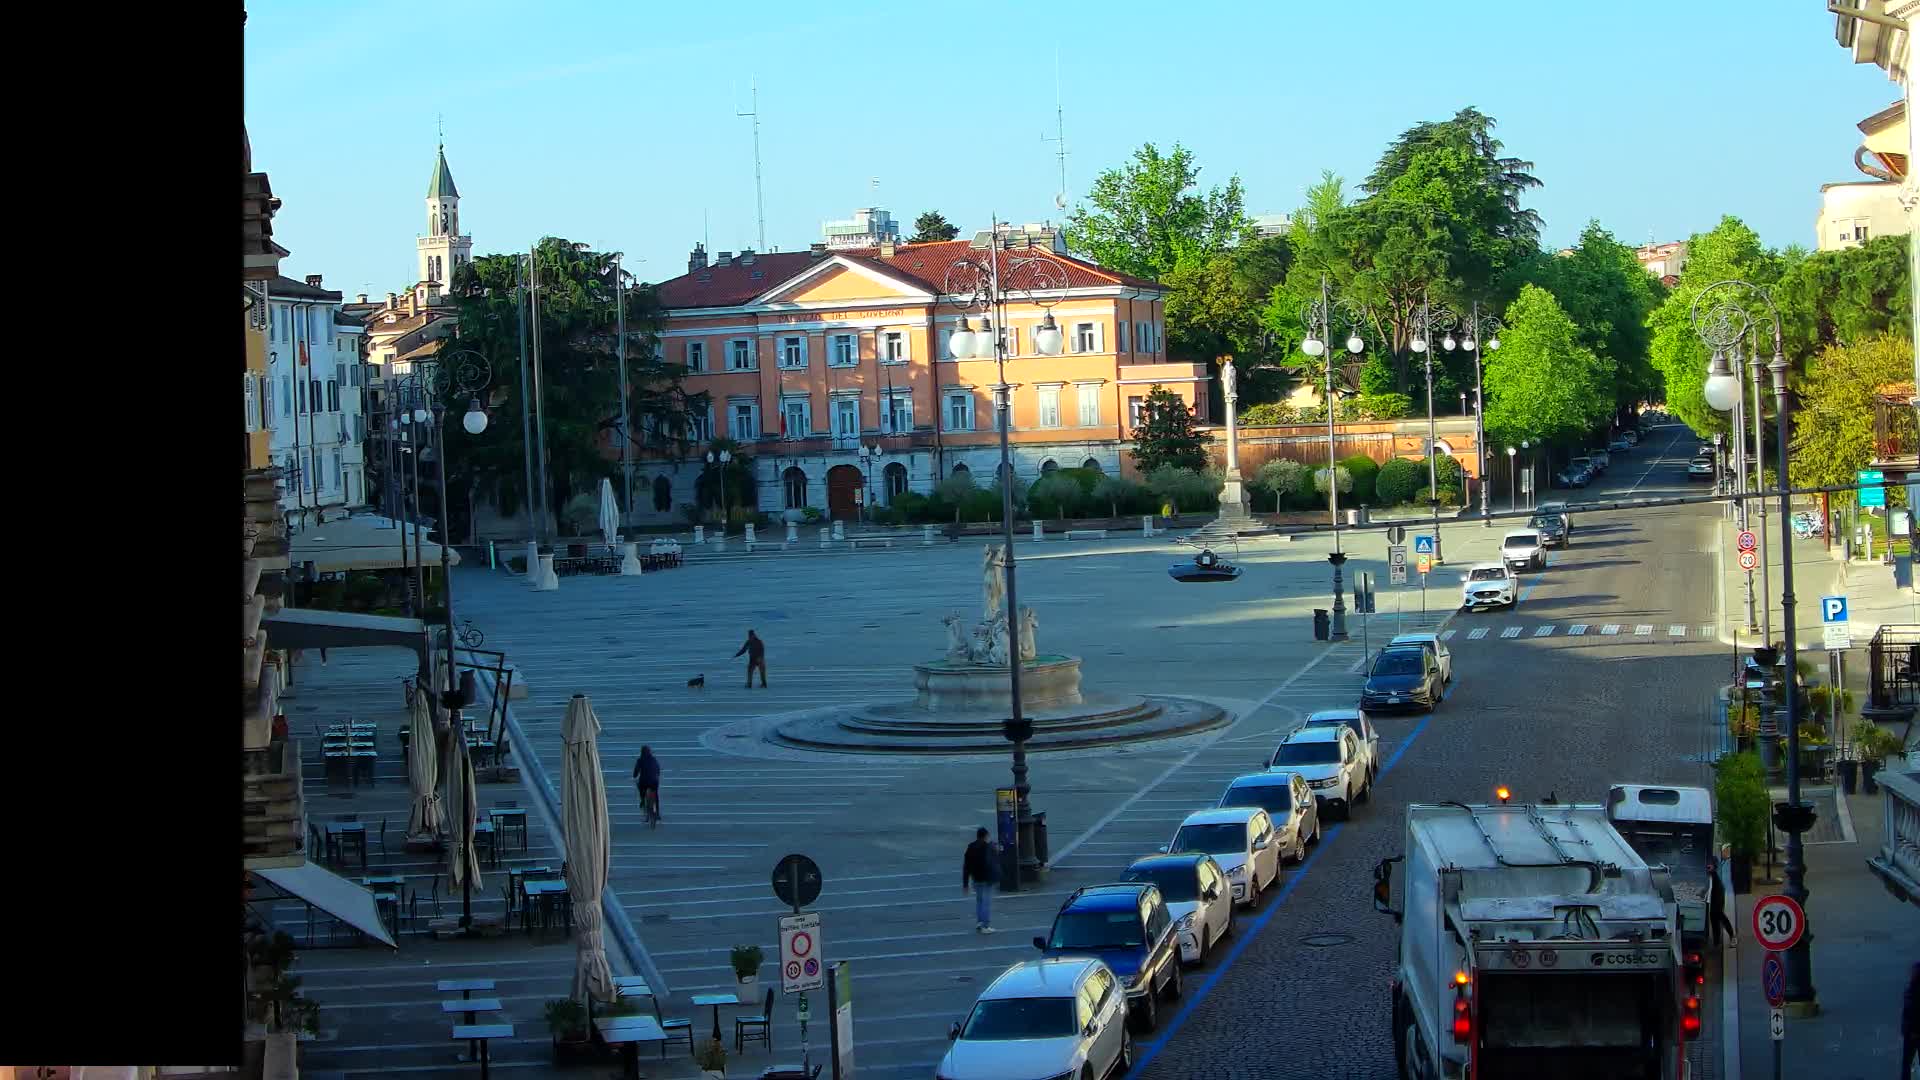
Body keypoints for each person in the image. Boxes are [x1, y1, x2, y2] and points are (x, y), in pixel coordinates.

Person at [962, 827, 999, 934]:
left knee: (979, 901)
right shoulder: (988, 847)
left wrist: (965, 883)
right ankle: (985, 925)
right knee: (986, 902)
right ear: (986, 836)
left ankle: (979, 922)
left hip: (976, 878)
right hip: (986, 878)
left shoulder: (971, 847)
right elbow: (994, 862)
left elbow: (966, 866)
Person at [1706, 855, 1736, 947]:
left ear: (1714, 866)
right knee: (1714, 922)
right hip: (1713, 901)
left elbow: (1717, 890)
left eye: (1709, 866)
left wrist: (1716, 903)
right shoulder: (1710, 876)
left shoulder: (1715, 878)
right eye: (1707, 866)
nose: (1707, 868)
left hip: (1717, 901)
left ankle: (1732, 937)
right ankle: (1716, 942)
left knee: (1721, 918)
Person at [633, 746, 661, 824]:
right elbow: (658, 769)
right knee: (655, 795)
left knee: (641, 790)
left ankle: (642, 800)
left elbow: (635, 772)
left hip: (644, 782)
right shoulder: (653, 759)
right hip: (654, 782)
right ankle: (657, 813)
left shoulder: (640, 760)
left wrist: (634, 776)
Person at [1902, 960, 1919, 1080]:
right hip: (1912, 1031)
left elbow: (1911, 1013)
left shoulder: (1912, 992)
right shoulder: (1911, 992)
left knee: (1907, 1062)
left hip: (1912, 1033)